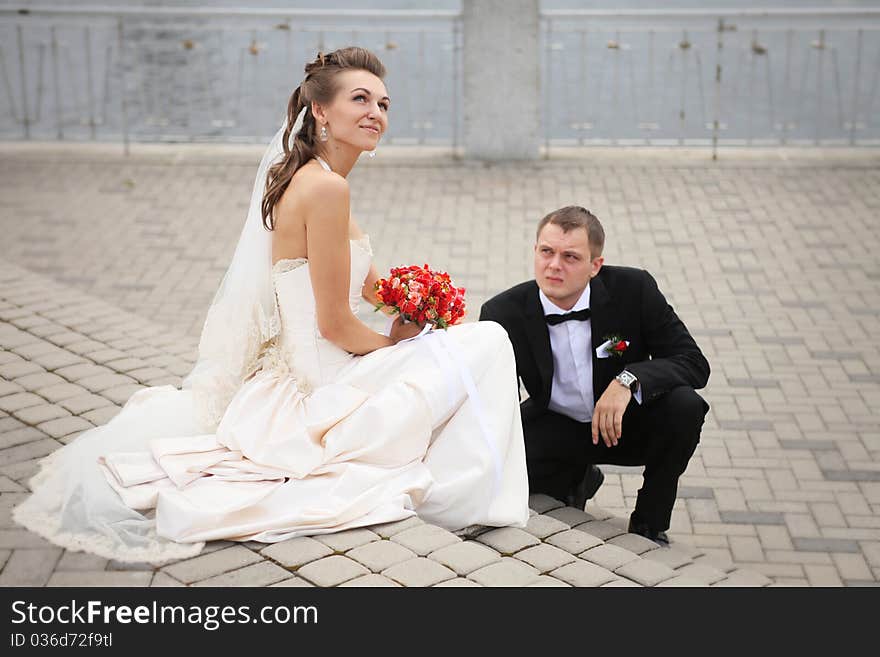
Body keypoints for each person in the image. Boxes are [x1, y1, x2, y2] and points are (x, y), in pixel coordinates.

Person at [14, 47, 529, 564]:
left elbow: (366, 286)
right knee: (490, 339)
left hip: (306, 365)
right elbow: (334, 324)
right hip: (323, 380)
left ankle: (470, 486)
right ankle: (464, 495)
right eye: (361, 99)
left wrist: (420, 300)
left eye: (384, 103)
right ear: (322, 111)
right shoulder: (326, 189)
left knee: (460, 343)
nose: (377, 112)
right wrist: (394, 344)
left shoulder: (310, 175)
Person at [479, 206, 709, 545]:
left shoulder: (635, 289)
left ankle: (649, 521)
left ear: (594, 266)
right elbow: (498, 402)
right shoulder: (502, 312)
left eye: (570, 257)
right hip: (557, 424)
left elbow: (693, 362)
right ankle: (577, 479)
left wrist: (627, 380)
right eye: (547, 251)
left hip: (623, 426)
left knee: (685, 407)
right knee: (499, 466)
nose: (554, 265)